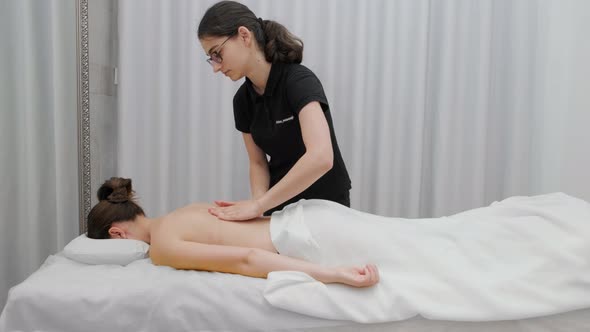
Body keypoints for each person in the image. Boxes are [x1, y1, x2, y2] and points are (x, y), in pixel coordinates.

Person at [197, 1, 352, 221]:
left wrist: (259, 204)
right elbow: (258, 162)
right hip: (279, 207)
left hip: (326, 204)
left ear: (244, 35)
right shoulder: (242, 101)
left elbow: (321, 157)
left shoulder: (298, 81)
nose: (215, 67)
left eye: (217, 53)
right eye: (211, 59)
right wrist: (258, 209)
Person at [87, 177, 379, 288]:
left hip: (309, 239)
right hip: (315, 216)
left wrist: (333, 274)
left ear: (117, 234)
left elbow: (248, 259)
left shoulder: (162, 247)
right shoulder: (186, 211)